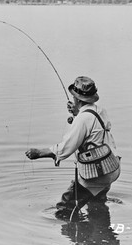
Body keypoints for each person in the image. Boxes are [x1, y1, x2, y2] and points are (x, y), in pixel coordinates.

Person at [25, 76, 120, 218]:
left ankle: (78, 235)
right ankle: (100, 234)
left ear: (77, 99)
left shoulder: (82, 120)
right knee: (96, 203)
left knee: (64, 209)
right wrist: (76, 113)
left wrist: (39, 153)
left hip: (95, 175)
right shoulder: (100, 111)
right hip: (110, 168)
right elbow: (92, 129)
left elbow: (66, 148)